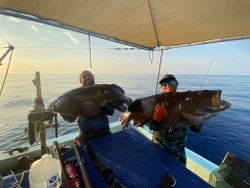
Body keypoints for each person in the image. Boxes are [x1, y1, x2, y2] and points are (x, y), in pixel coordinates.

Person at [148, 74, 189, 165]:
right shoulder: (156, 102)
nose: (168, 86)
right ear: (161, 87)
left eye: (171, 82)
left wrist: (198, 116)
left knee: (179, 175)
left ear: (177, 83)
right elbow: (152, 127)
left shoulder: (186, 102)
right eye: (164, 84)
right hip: (157, 146)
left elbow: (197, 128)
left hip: (177, 152)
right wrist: (157, 118)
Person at [77, 70, 114, 140]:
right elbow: (70, 117)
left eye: (89, 75)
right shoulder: (76, 95)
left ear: (93, 77)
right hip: (85, 135)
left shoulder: (103, 90)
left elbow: (111, 112)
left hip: (105, 133)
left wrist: (103, 105)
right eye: (84, 76)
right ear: (80, 81)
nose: (87, 77)